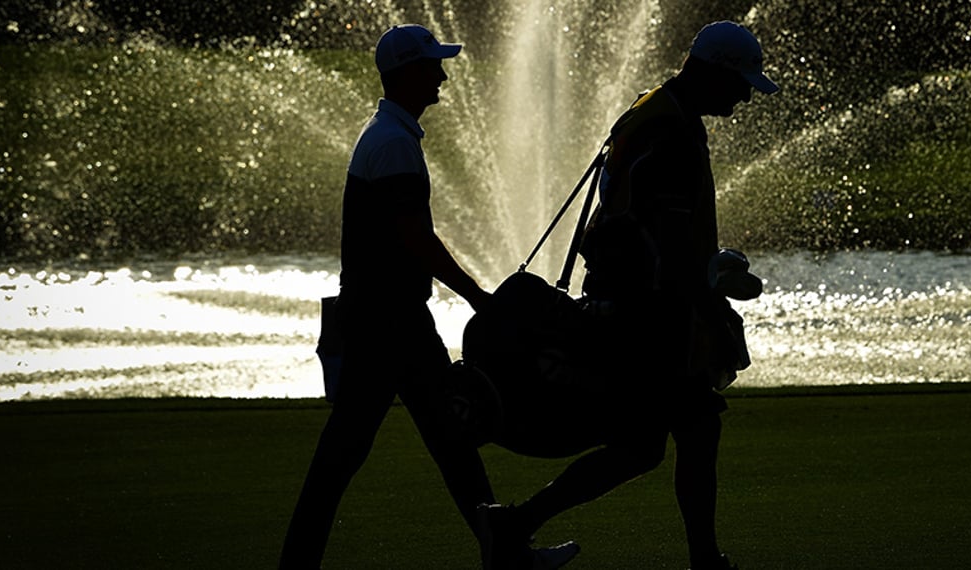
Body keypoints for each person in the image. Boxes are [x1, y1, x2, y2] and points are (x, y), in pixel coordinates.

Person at [478, 21, 776, 570]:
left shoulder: (657, 108)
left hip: (635, 303)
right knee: (691, 427)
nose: (744, 97)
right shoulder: (673, 133)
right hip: (648, 314)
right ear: (713, 72)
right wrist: (711, 310)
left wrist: (709, 279)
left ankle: (513, 524)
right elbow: (670, 242)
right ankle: (705, 562)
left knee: (641, 447)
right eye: (740, 83)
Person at [279, 25, 578, 569]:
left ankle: (506, 552)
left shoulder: (390, 134)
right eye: (433, 65)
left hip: (386, 320)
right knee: (382, 448)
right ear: (407, 72)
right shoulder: (392, 143)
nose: (442, 75)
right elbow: (415, 239)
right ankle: (507, 553)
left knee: (445, 439)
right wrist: (477, 297)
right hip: (389, 324)